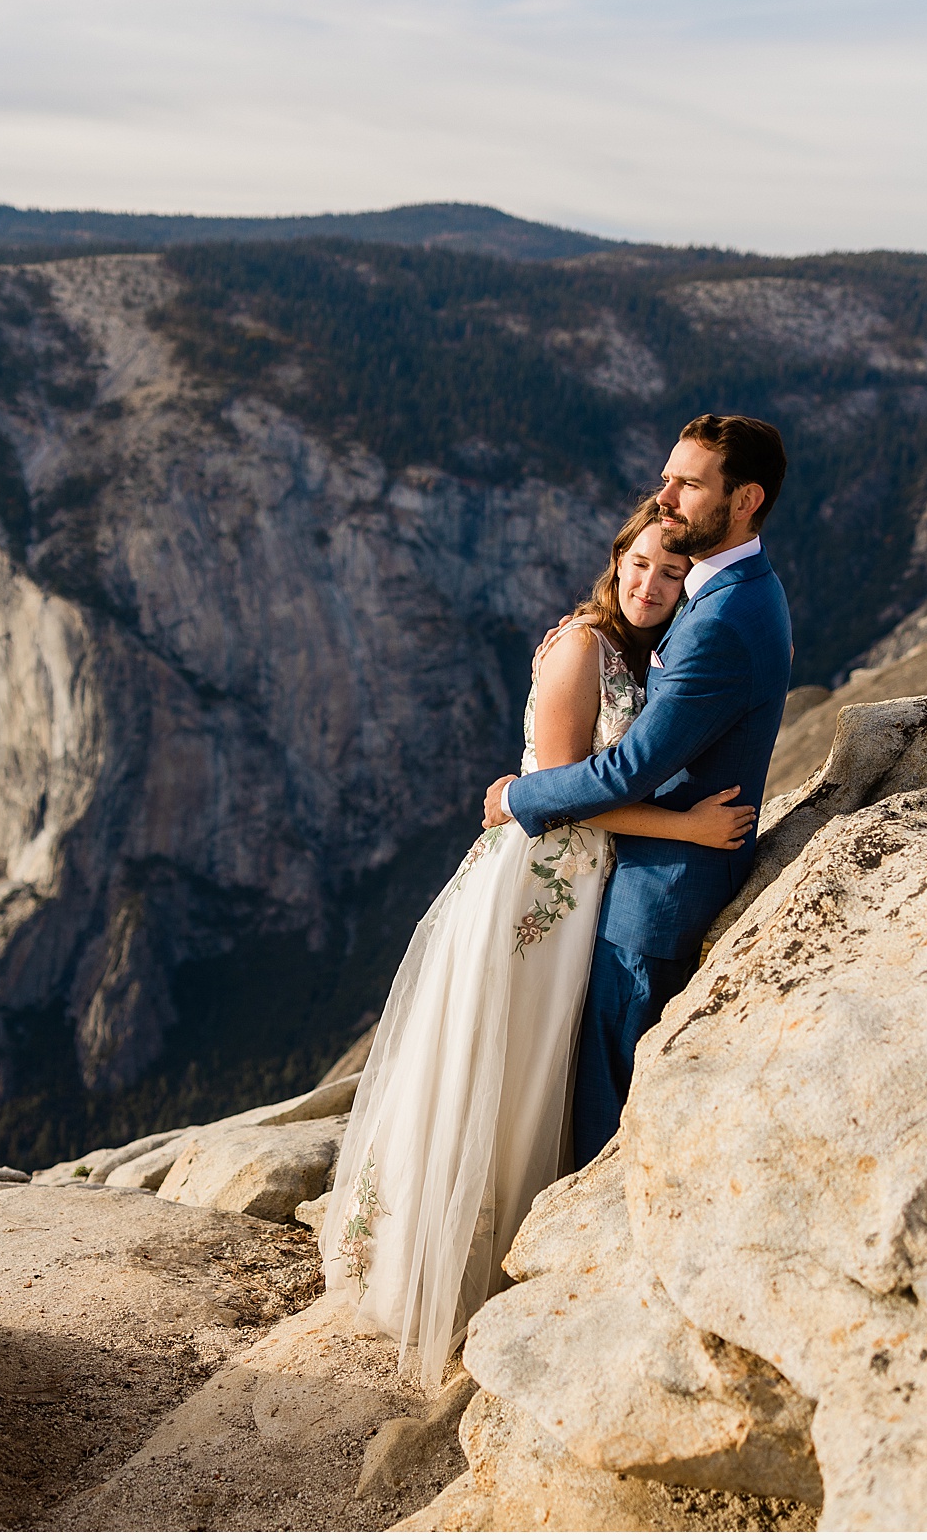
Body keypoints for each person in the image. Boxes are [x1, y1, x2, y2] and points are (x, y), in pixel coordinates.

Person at [320, 498, 756, 1390]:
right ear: (615, 561)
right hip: (535, 888)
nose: (649, 583)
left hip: (578, 892)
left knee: (531, 1074)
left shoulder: (643, 653)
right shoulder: (580, 649)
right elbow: (561, 792)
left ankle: (503, 1255)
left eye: (671, 574)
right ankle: (432, 1272)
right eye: (638, 564)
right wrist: (690, 830)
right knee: (498, 1061)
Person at [489, 414, 792, 1168]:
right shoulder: (730, 588)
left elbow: (630, 771)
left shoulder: (724, 615)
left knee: (605, 1120)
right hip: (636, 875)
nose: (664, 496)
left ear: (746, 498)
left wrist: (519, 797)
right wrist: (588, 638)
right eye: (667, 477)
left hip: (655, 903)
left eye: (688, 484)